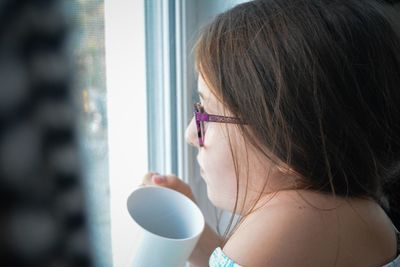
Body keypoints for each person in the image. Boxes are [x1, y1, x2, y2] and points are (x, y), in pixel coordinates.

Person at [142, 0, 400, 266]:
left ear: (284, 140)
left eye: (205, 113)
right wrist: (192, 232)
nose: (191, 135)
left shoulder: (287, 221)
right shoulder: (369, 214)